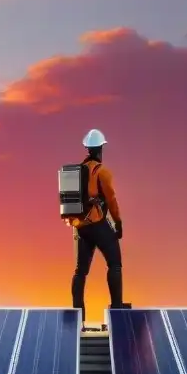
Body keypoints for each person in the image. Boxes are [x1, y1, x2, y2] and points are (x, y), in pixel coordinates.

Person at [69, 129, 126, 319]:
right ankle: (117, 310)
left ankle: (79, 315)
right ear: (100, 148)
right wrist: (118, 223)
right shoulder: (102, 171)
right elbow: (111, 199)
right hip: (97, 223)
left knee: (81, 271)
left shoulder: (77, 171)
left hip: (81, 226)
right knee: (115, 264)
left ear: (87, 148)